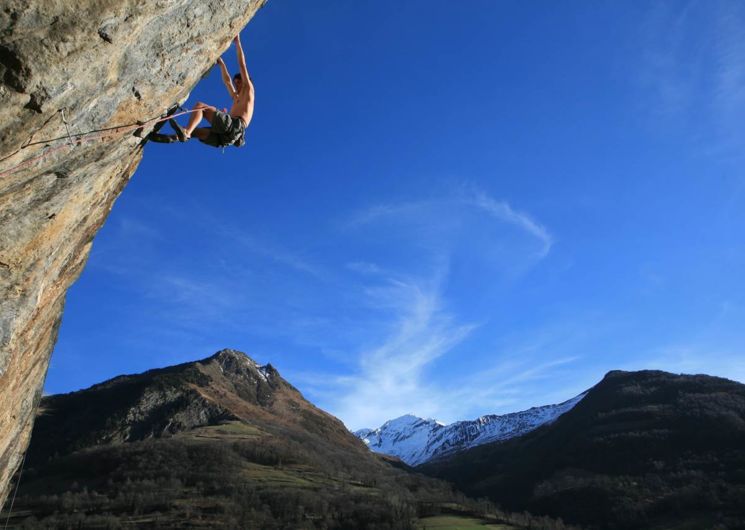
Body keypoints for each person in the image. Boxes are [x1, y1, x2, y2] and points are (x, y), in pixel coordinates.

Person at [176, 34, 255, 148]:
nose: (236, 85)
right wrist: (222, 64)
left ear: (244, 81)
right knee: (196, 132)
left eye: (238, 82)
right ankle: (176, 136)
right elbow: (227, 82)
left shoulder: (248, 88)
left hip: (234, 127)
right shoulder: (237, 97)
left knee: (200, 106)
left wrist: (238, 43)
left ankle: (186, 132)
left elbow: (242, 65)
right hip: (227, 137)